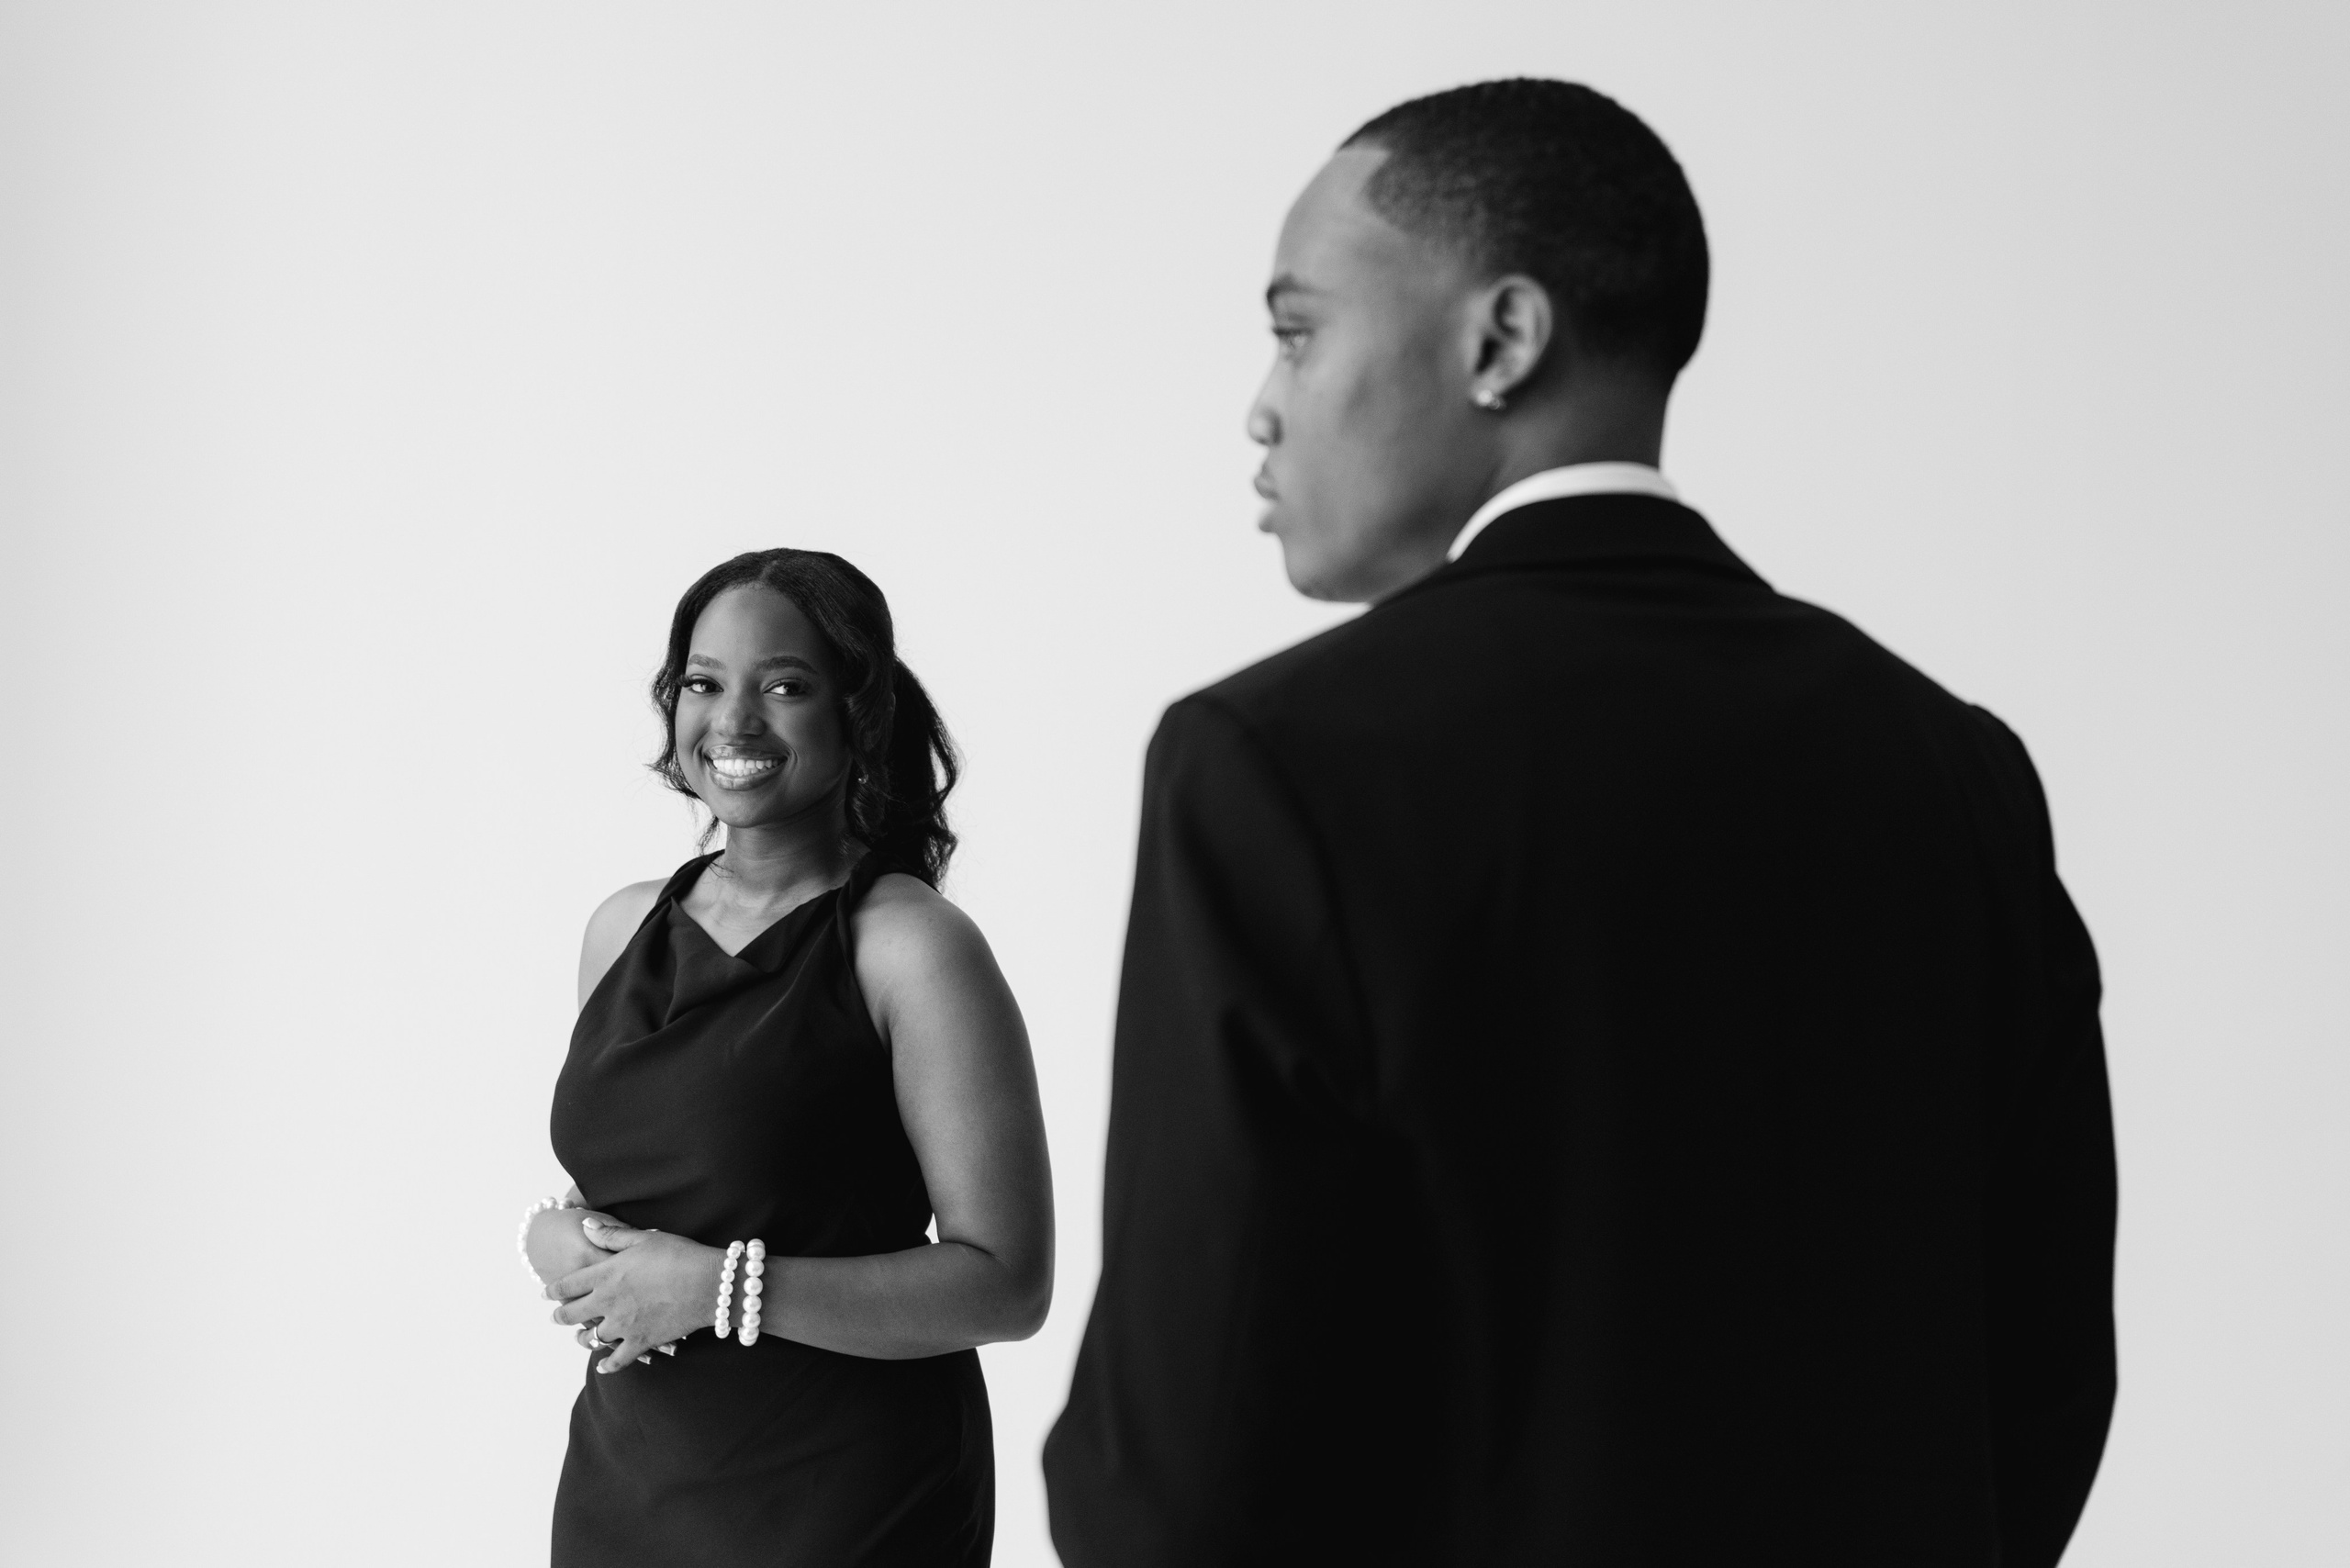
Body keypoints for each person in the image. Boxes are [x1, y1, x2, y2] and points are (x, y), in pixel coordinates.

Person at [1044, 79, 2116, 1567]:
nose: (1262, 401)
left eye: (1297, 328)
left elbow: (1178, 1464)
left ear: (1502, 340)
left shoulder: (1272, 763)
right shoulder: (1952, 765)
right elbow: (2048, 1365)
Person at [520, 548, 1053, 1566]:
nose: (735, 720)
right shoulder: (623, 928)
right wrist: (559, 1235)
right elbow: (673, 1171)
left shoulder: (909, 947)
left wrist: (717, 1288)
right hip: (627, 1491)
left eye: (785, 685)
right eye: (704, 683)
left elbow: (1007, 1283)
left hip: (845, 1502)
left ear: (857, 711)